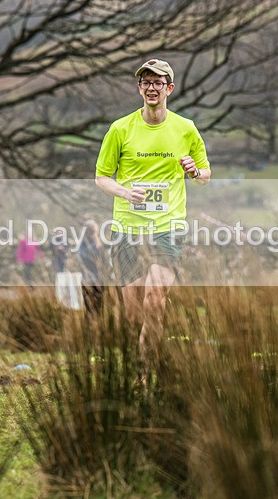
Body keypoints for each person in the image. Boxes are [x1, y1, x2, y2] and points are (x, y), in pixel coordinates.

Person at [94, 58, 211, 374]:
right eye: (146, 82)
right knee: (134, 312)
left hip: (168, 226)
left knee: (155, 298)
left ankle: (144, 374)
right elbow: (101, 177)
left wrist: (194, 171)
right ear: (139, 88)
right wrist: (124, 192)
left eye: (158, 83)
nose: (151, 88)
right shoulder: (120, 129)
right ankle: (149, 344)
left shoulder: (185, 128)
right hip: (128, 227)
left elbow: (205, 175)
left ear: (169, 88)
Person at [77, 219, 107, 315]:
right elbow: (104, 262)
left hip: (86, 280)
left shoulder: (81, 245)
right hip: (97, 279)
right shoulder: (97, 246)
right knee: (98, 309)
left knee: (89, 309)